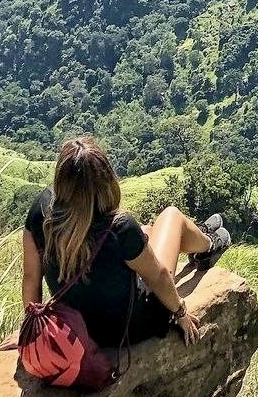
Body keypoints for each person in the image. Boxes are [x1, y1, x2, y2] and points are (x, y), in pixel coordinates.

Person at [13, 136, 231, 349]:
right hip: (130, 328)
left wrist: (34, 332)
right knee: (171, 216)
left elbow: (31, 277)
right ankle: (209, 245)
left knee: (148, 231)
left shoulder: (42, 210)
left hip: (76, 329)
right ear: (106, 179)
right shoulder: (119, 227)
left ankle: (202, 236)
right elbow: (158, 276)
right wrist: (180, 312)